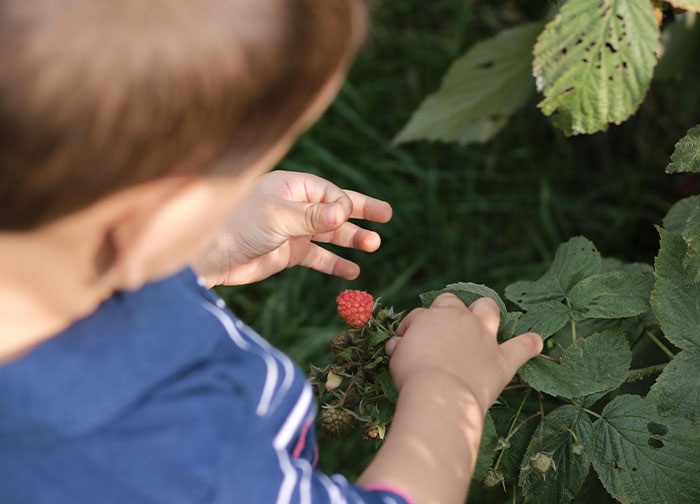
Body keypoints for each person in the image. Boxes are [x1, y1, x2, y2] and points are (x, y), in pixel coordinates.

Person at [0, 0, 543, 502]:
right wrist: (449, 387)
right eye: (235, 177)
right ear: (155, 218)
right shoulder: (171, 454)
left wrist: (194, 252)